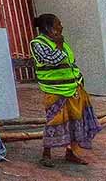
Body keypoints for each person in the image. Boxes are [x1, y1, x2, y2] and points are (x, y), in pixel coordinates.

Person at [30, 13, 101, 167]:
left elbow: (71, 62)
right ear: (49, 28)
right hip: (55, 90)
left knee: (76, 121)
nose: (61, 27)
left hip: (73, 88)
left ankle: (71, 152)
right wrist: (59, 46)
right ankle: (46, 154)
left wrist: (79, 79)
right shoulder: (37, 43)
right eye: (58, 24)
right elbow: (52, 60)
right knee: (54, 122)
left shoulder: (62, 42)